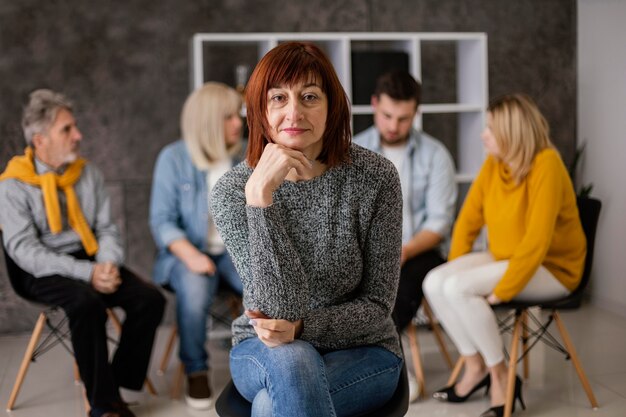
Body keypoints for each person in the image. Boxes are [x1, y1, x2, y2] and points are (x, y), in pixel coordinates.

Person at [210, 41, 404, 417]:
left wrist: (302, 328)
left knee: (271, 405)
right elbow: (278, 308)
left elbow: (379, 306)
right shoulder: (236, 192)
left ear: (332, 107)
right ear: (260, 112)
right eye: (278, 98)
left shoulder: (375, 177)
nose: (293, 112)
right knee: (293, 361)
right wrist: (261, 198)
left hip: (363, 350)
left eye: (309, 96)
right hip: (262, 350)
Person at [0, 89, 166, 417]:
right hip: (37, 269)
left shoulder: (88, 174)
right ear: (40, 139)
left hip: (88, 256)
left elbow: (106, 228)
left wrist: (106, 264)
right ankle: (104, 407)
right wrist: (87, 274)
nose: (79, 135)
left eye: (75, 127)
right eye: (67, 130)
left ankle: (113, 384)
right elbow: (25, 251)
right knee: (86, 303)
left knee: (151, 300)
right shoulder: (12, 185)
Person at [423, 94, 586, 417]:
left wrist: (506, 289)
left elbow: (537, 241)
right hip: (507, 257)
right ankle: (474, 365)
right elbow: (469, 219)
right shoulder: (495, 164)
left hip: (553, 268)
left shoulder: (547, 165)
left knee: (459, 288)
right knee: (435, 281)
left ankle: (500, 376)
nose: (484, 135)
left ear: (513, 134)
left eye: (491, 129)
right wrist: (454, 265)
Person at [353, 69, 457, 401]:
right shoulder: (353, 151)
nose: (394, 126)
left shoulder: (436, 155)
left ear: (416, 113)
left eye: (403, 118)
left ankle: (383, 365)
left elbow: (439, 223)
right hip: (366, 249)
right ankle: (366, 361)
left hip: (418, 250)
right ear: (373, 106)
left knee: (399, 285)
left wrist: (403, 251)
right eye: (387, 116)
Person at [149, 82, 244, 409]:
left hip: (234, 254)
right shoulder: (173, 158)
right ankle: (196, 369)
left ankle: (261, 362)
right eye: (229, 117)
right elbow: (161, 221)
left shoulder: (244, 158)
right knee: (195, 286)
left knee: (266, 284)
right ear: (207, 122)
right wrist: (191, 255)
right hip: (186, 253)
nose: (238, 123)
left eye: (238, 115)